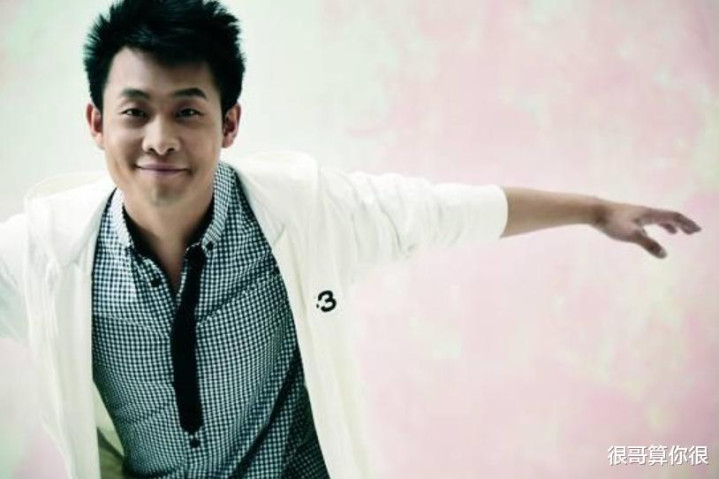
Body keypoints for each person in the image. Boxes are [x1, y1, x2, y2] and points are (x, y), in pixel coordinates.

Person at [0, 0, 702, 478]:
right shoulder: (43, 254)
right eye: (135, 112)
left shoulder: (307, 215)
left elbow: (442, 210)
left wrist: (592, 210)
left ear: (229, 123)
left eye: (187, 111)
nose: (160, 139)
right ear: (97, 123)